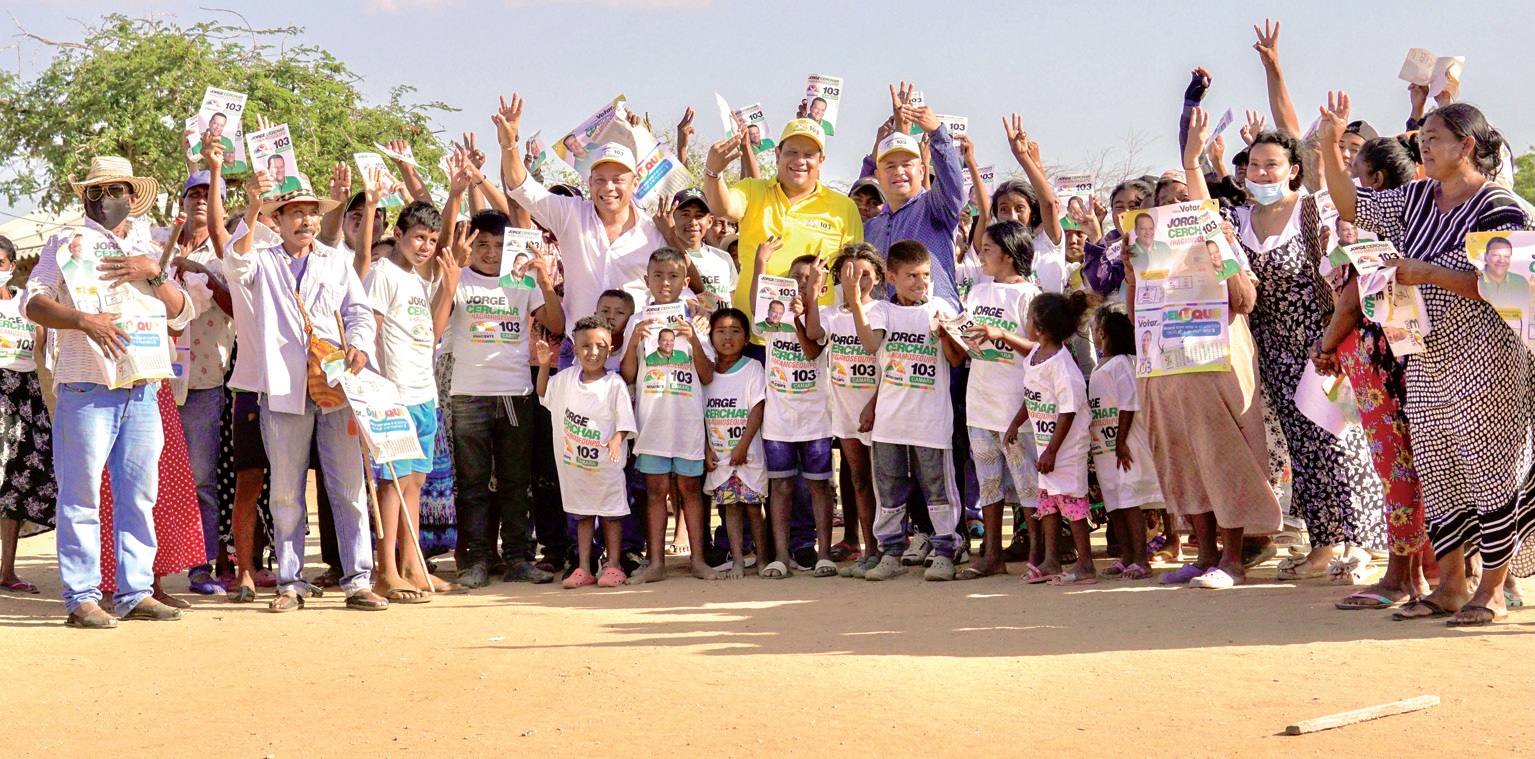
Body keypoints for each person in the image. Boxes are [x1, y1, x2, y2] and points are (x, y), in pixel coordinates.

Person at [1323, 98, 1535, 626]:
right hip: (1422, 354)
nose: (1424, 145)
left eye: (1434, 137)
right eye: (1423, 139)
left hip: (1486, 356)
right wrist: (1329, 145)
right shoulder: (1417, 197)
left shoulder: (1501, 208)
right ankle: (1450, 586)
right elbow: (1351, 205)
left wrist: (1427, 273)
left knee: (1489, 472)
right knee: (1440, 473)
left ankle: (1491, 590)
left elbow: (1514, 287)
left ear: (1467, 146)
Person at [25, 156, 195, 628]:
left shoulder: (149, 246)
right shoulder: (64, 243)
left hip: (144, 385)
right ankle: (81, 597)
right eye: (95, 192)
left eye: (114, 190)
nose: (104, 200)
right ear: (84, 198)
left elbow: (182, 314)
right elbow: (32, 301)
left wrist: (154, 273)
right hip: (87, 386)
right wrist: (81, 320)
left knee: (139, 494)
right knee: (80, 495)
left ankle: (135, 591)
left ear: (131, 196)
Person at [1228, 124, 1387, 582]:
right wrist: (1193, 156)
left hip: (1324, 345)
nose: (1261, 172)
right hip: (1274, 349)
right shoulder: (1238, 221)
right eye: (1254, 165)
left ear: (1293, 170)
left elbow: (1345, 278)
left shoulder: (1312, 212)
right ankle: (1323, 545)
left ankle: (1363, 544)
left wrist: (1333, 342)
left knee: (1341, 443)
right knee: (1303, 450)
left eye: (1271, 164)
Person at [225, 168, 388, 613]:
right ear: (276, 221)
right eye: (294, 214)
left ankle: (358, 580)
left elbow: (357, 311)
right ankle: (290, 582)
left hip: (334, 385)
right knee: (284, 492)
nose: (305, 222)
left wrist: (358, 345)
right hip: (281, 389)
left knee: (349, 488)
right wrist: (255, 204)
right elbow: (233, 265)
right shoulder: (262, 258)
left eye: (311, 214)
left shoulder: (335, 260)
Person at [1130, 123, 1279, 590]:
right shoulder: (1143, 249)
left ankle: (1233, 558)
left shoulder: (1224, 240)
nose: (1178, 204)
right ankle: (1204, 553)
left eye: (1185, 196)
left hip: (1216, 363)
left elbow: (1245, 301)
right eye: (1168, 198)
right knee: (1180, 456)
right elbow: (1138, 313)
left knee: (1224, 455)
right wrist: (1134, 267)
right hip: (1168, 369)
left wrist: (1222, 257)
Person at [1311, 119, 1434, 610]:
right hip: (1415, 355)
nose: (1352, 187)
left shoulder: (1374, 226)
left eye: (1356, 175)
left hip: (1378, 359)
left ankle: (1401, 576)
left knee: (1396, 464)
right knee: (1424, 464)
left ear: (1377, 183)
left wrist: (1325, 347)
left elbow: (1350, 300)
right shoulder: (1429, 216)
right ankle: (1425, 569)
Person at [441, 209, 564, 588]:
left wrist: (544, 282)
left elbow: (557, 326)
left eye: (498, 244)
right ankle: (475, 560)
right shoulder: (456, 278)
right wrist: (452, 274)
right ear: (470, 245)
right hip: (467, 393)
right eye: (482, 244)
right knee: (473, 483)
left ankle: (517, 557)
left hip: (515, 393)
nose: (491, 252)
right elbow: (436, 320)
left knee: (515, 481)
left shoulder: (522, 282)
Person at [845, 240, 966, 581]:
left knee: (938, 488)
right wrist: (855, 303)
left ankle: (945, 550)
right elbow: (870, 345)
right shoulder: (882, 310)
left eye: (925, 275)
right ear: (891, 278)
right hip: (890, 424)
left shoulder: (939, 307)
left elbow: (956, 361)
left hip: (931, 422)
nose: (920, 282)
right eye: (911, 276)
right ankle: (891, 552)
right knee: (890, 489)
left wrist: (945, 334)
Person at [498, 94, 666, 333]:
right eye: (600, 180)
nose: (608, 188)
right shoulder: (570, 214)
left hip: (633, 355)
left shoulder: (653, 232)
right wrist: (509, 145)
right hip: (578, 353)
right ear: (589, 182)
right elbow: (522, 188)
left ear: (635, 183)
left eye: (618, 180)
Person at [361, 199, 456, 601]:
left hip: (423, 393)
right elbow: (371, 331)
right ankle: (386, 571)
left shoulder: (418, 280)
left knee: (414, 481)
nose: (425, 246)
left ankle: (413, 566)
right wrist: (376, 390)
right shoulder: (382, 274)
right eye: (418, 236)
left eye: (432, 240)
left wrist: (449, 287)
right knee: (392, 484)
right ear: (398, 234)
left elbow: (432, 335)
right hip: (393, 394)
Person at [164, 151, 241, 597]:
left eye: (209, 194)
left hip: (207, 381)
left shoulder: (232, 252)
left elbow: (241, 311)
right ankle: (147, 572)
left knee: (201, 479)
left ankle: (200, 566)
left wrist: (204, 275)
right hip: (157, 379)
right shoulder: (160, 242)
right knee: (148, 477)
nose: (200, 201)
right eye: (194, 193)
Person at [619, 248, 720, 583]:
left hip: (687, 423)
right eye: (658, 275)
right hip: (651, 424)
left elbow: (707, 375)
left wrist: (692, 340)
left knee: (690, 490)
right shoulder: (638, 320)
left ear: (685, 281)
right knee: (655, 491)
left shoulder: (696, 319)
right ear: (646, 280)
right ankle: (656, 563)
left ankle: (698, 561)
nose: (665, 282)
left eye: (673, 276)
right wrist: (633, 339)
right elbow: (628, 374)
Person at [703, 118, 864, 328]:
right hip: (751, 335)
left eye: (809, 155)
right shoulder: (751, 190)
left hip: (811, 337)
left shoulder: (844, 207)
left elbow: (854, 272)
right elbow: (722, 208)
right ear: (778, 154)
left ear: (821, 160)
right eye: (792, 152)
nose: (800, 161)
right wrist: (713, 173)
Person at [955, 220, 1041, 580]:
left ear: (1008, 254)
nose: (981, 254)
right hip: (980, 401)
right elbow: (969, 346)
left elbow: (1041, 349)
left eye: (988, 249)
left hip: (1015, 407)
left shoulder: (1030, 296)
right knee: (988, 482)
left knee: (1027, 485)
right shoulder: (977, 293)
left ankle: (1040, 553)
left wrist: (1001, 333)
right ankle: (992, 554)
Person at [752, 245, 837, 579]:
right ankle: (781, 556)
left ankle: (825, 553)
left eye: (810, 280)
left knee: (818, 487)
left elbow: (812, 350)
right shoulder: (772, 320)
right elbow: (756, 299)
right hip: (778, 420)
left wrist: (801, 316)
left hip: (815, 419)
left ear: (822, 287)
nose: (802, 286)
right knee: (781, 486)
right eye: (797, 280)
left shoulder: (825, 317)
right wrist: (760, 262)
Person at [535, 317, 635, 589]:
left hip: (607, 466)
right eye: (586, 346)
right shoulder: (565, 379)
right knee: (583, 516)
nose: (593, 352)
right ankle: (583, 567)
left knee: (612, 515)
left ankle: (613, 565)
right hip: (576, 468)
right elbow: (544, 394)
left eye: (600, 346)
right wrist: (544, 366)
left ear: (611, 348)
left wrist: (616, 440)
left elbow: (625, 422)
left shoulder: (614, 384)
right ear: (575, 350)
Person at [1005, 292, 1093, 585]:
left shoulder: (1062, 366)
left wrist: (1053, 451)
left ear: (1039, 327)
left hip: (1065, 448)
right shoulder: (1034, 356)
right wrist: (1016, 423)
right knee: (1049, 503)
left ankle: (1086, 565)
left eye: (1029, 317)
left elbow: (1068, 412)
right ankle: (1051, 560)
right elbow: (1031, 397)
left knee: (1072, 503)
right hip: (1047, 445)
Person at [861, 88, 967, 308]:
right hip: (888, 332)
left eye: (907, 165)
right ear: (878, 176)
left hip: (935, 329)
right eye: (890, 166)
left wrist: (937, 132)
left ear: (921, 171)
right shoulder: (871, 228)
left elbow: (954, 185)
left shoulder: (935, 208)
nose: (899, 171)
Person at [817, 244, 884, 578]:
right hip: (845, 412)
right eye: (849, 274)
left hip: (882, 408)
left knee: (885, 480)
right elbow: (814, 335)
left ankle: (889, 545)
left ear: (880, 275)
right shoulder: (831, 314)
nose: (857, 281)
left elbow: (891, 365)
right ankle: (869, 549)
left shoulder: (884, 311)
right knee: (858, 480)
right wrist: (814, 293)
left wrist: (874, 403)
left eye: (865, 274)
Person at [0, 235, 55, 596]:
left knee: (17, 482)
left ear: (12, 265)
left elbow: (44, 344)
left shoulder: (26, 304)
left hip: (25, 392)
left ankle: (7, 570)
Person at [1088, 308, 1161, 581]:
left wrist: (1120, 442)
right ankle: (1126, 557)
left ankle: (1141, 559)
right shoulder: (1100, 367)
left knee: (1129, 501)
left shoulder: (1121, 364)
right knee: (1114, 503)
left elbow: (1128, 405)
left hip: (1122, 446)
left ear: (1103, 334)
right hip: (1103, 447)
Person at [701, 308, 769, 579]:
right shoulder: (706, 373)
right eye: (720, 331)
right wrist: (707, 448)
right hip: (719, 456)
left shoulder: (752, 368)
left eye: (735, 331)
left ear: (747, 337)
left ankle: (762, 558)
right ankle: (738, 559)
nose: (727, 337)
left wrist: (742, 446)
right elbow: (701, 414)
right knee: (729, 508)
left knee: (753, 508)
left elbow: (757, 409)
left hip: (748, 453)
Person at [663, 188, 737, 309]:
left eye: (699, 215)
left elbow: (733, 301)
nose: (693, 222)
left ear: (709, 221)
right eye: (685, 214)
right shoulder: (663, 259)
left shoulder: (723, 258)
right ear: (672, 218)